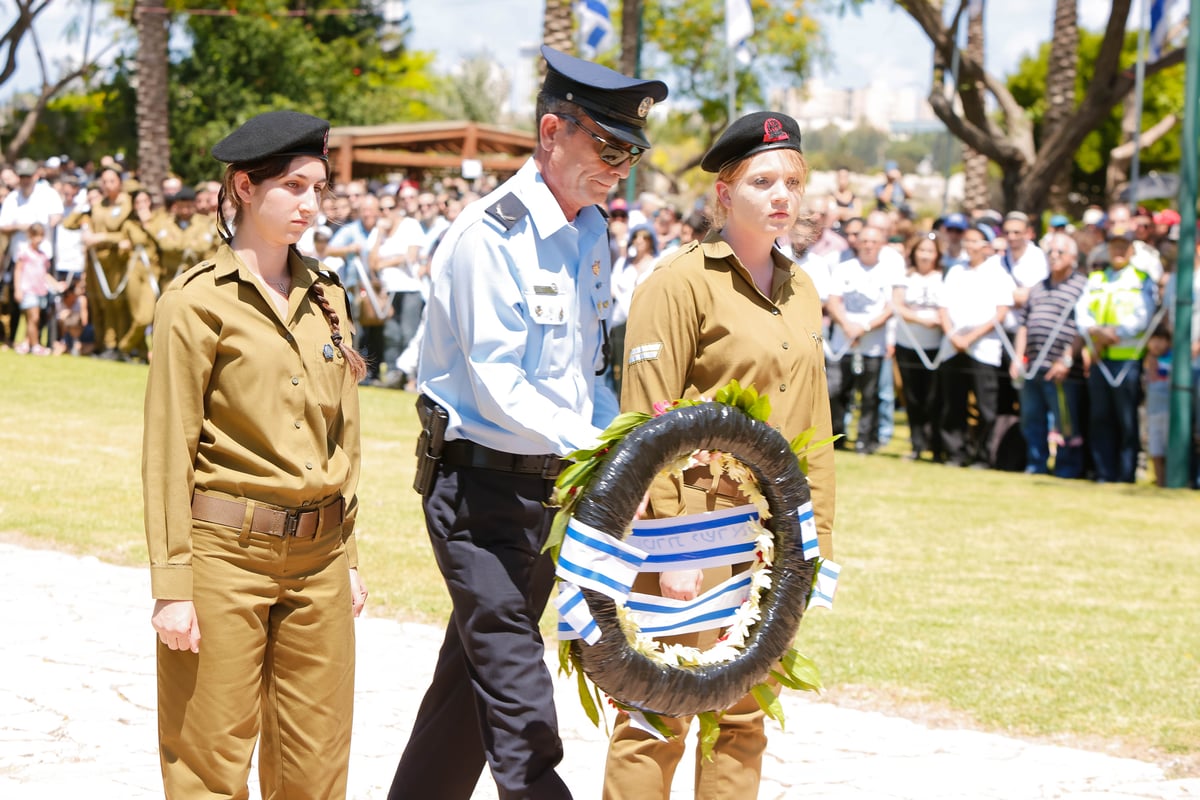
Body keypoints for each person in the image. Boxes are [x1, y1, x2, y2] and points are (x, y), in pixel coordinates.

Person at [388, 47, 667, 800]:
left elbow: (588, 376)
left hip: (546, 496)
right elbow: (501, 382)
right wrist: (598, 446)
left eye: (632, 153)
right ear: (552, 130)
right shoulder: (491, 235)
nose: (621, 168)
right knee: (519, 697)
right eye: (608, 147)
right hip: (475, 492)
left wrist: (620, 445)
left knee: (468, 689)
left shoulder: (588, 232)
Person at [603, 111, 835, 800]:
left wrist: (817, 541)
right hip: (691, 529)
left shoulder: (802, 289)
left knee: (744, 716)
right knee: (657, 713)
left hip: (771, 540)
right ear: (723, 194)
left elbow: (814, 427)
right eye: (762, 181)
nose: (781, 196)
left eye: (791, 181)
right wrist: (673, 551)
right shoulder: (679, 283)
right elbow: (645, 422)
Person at [142, 110, 369, 799]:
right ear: (243, 186)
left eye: (319, 189)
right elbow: (167, 450)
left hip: (321, 558)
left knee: (316, 767)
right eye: (294, 187)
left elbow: (345, 438)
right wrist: (172, 587)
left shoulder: (327, 295)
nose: (311, 205)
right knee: (208, 761)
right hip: (225, 554)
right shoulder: (194, 303)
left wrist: (350, 559)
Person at [1076, 224, 1157, 483]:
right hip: (1100, 359)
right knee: (1100, 417)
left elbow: (1142, 318)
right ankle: (1104, 472)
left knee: (1126, 419)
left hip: (1127, 361)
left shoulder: (1141, 279)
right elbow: (1082, 314)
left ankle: (1125, 473)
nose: (1119, 250)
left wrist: (1112, 335)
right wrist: (1097, 334)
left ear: (1132, 249)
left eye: (1124, 245)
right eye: (1115, 245)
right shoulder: (1096, 278)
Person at [1010, 232, 1087, 478]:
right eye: (1050, 252)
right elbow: (1024, 324)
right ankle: (1036, 464)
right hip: (1032, 366)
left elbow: (1082, 327)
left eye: (1060, 253)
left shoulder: (1082, 287)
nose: (1053, 257)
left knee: (1065, 421)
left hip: (1062, 368)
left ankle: (1067, 468)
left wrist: (1066, 359)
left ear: (1073, 257)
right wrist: (1017, 356)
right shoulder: (1038, 287)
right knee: (1031, 419)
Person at [938, 224, 1015, 468]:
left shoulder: (998, 273)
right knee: (953, 402)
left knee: (985, 405)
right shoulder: (955, 270)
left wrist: (971, 338)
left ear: (986, 245)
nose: (969, 246)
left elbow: (1001, 312)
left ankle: (983, 455)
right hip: (953, 345)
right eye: (966, 241)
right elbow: (943, 306)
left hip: (984, 348)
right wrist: (952, 334)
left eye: (975, 241)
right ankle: (955, 452)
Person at [826, 224, 905, 453]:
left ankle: (866, 440)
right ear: (858, 243)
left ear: (882, 244)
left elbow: (892, 306)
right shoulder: (844, 268)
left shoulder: (888, 272)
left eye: (874, 241)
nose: (869, 245)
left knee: (870, 395)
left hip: (873, 345)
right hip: (843, 343)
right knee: (839, 392)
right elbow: (833, 301)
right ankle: (837, 438)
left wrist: (866, 327)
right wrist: (848, 326)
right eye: (865, 241)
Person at [892, 232, 945, 461]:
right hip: (908, 344)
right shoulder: (905, 276)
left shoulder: (944, 276)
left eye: (930, 251)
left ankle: (936, 446)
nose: (925, 255)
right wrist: (921, 319)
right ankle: (916, 444)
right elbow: (897, 305)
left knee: (934, 398)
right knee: (912, 397)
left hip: (936, 348)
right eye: (921, 250)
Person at [12, 222, 60, 354]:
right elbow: (18, 271)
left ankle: (26, 343)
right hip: (28, 289)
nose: (38, 239)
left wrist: (56, 284)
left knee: (32, 320)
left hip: (40, 290)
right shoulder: (24, 252)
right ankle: (35, 346)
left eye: (41, 236)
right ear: (30, 236)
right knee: (34, 318)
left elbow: (45, 274)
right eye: (35, 236)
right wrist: (18, 289)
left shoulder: (43, 255)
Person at [1144, 324, 1172, 487]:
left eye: (1160, 340)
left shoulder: (1173, 359)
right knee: (1155, 449)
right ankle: (1159, 481)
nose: (1156, 344)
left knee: (1167, 449)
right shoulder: (1146, 360)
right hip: (1152, 412)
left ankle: (1169, 480)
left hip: (1168, 411)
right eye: (1153, 339)